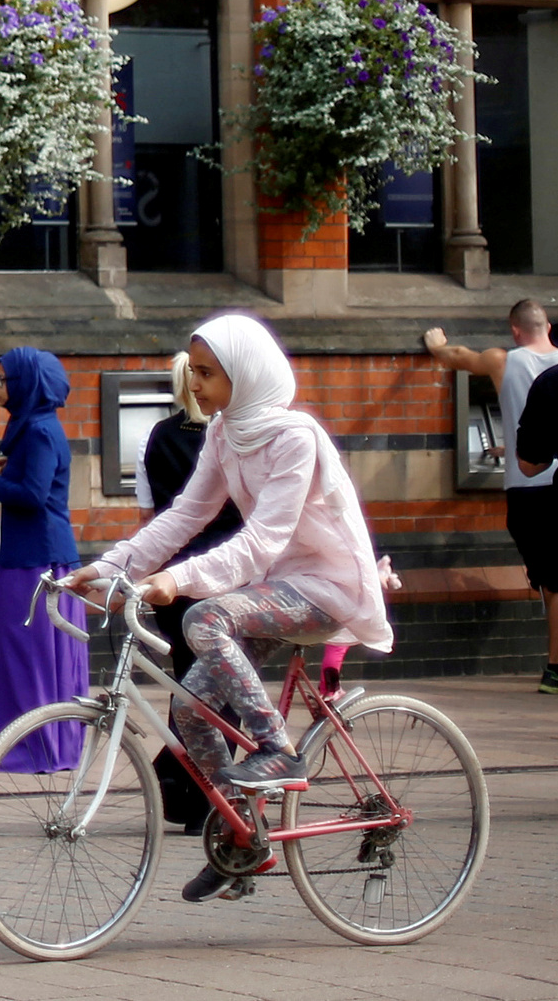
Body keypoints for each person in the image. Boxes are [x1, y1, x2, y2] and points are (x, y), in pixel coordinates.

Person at [75, 315, 391, 905]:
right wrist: (111, 566)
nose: (194, 384)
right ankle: (242, 838)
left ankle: (276, 748)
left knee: (206, 617)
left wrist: (179, 580)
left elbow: (263, 540)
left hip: (325, 587)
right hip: (278, 588)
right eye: (193, 371)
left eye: (206, 373)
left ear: (244, 374)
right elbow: (183, 516)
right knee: (193, 710)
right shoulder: (224, 432)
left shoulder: (295, 436)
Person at [425, 300, 558, 693]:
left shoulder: (504, 361)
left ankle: (555, 668)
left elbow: (458, 358)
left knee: (551, 581)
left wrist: (436, 344)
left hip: (528, 486)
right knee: (552, 580)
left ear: (515, 331)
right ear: (547, 326)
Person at [131, 350, 239, 833]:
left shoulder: (158, 436)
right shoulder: (229, 437)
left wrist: (138, 569)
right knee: (224, 689)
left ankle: (187, 787)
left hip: (173, 579)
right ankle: (205, 793)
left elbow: (156, 515)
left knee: (186, 686)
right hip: (231, 576)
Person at [0, 347, 88, 772]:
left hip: (37, 560)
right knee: (23, 652)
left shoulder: (40, 431)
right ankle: (32, 740)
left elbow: (33, 497)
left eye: (2, 379)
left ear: (24, 384)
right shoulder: (32, 428)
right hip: (28, 555)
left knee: (30, 653)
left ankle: (39, 745)